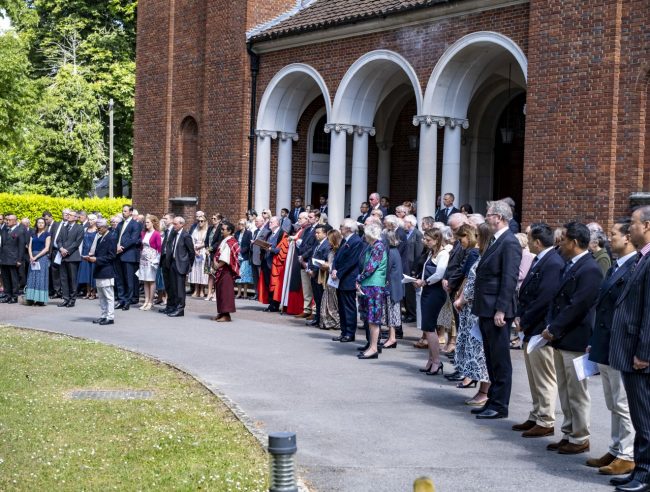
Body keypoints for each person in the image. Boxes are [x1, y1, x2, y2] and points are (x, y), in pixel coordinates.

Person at [542, 222, 603, 453]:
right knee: (565, 390)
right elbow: (558, 299)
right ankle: (569, 432)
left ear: (575, 243)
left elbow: (578, 305)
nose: (561, 243)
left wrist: (554, 328)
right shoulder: (572, 265)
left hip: (575, 339)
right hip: (562, 338)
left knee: (577, 392)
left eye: (564, 239)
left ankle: (580, 437)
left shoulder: (590, 269)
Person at [586, 219, 636, 476]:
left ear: (628, 237)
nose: (610, 238)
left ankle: (628, 453)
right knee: (612, 401)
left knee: (622, 401)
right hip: (604, 342)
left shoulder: (635, 266)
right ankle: (616, 448)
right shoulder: (616, 265)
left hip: (619, 344)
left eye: (614, 234)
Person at [609, 205, 650, 492]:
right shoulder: (641, 258)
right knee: (638, 414)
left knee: (644, 415)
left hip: (640, 353)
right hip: (630, 348)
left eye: (633, 223)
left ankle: (646, 474)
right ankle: (640, 467)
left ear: (647, 225)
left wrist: (644, 352)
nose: (629, 228)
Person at [512, 222, 564, 437]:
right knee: (534, 376)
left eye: (529, 237)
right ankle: (536, 414)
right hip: (531, 326)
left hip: (540, 327)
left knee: (544, 377)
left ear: (538, 242)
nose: (527, 240)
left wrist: (525, 319)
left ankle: (545, 419)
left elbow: (545, 297)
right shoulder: (541, 259)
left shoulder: (552, 262)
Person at [471, 200, 521, 420]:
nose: (486, 217)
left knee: (500, 359)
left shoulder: (509, 242)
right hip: (486, 307)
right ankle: (492, 399)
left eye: (488, 214)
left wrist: (501, 309)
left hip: (497, 309)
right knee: (491, 357)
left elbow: (509, 279)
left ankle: (500, 404)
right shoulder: (496, 240)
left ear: (499, 217)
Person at [452, 223, 491, 405]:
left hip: (476, 310)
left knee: (480, 353)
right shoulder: (481, 255)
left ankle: (485, 391)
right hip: (469, 310)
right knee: (474, 351)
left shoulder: (485, 256)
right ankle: (481, 389)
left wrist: (462, 298)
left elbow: (476, 283)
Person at [411, 228, 449, 374]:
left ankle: (437, 361)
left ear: (437, 239)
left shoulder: (443, 253)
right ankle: (431, 359)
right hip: (427, 290)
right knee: (427, 327)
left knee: (429, 327)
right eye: (425, 239)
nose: (425, 242)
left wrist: (425, 282)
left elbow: (439, 273)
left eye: (428, 240)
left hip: (435, 291)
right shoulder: (431, 252)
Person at [356, 223, 387, 359]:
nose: (364, 236)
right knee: (369, 318)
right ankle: (371, 346)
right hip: (368, 285)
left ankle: (374, 348)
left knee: (374, 319)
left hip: (374, 286)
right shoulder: (372, 246)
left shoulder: (378, 246)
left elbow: (371, 267)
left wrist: (358, 278)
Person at [331, 219, 365, 343]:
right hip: (340, 277)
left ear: (349, 228)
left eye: (342, 226)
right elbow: (337, 256)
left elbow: (351, 261)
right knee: (341, 306)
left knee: (349, 307)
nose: (340, 228)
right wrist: (334, 268)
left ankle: (350, 333)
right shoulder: (345, 240)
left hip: (348, 277)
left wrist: (338, 273)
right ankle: (343, 331)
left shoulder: (356, 241)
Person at [87, 219, 117, 325]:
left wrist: (97, 259)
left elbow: (112, 256)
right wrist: (91, 258)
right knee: (101, 295)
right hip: (99, 269)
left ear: (105, 227)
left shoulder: (111, 237)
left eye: (99, 228)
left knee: (108, 295)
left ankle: (110, 317)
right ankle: (104, 315)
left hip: (107, 270)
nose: (98, 230)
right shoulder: (100, 238)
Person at [163, 216, 195, 317]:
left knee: (180, 289)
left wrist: (188, 266)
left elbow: (191, 253)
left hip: (181, 265)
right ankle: (174, 307)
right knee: (173, 287)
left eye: (175, 224)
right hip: (172, 263)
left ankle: (180, 309)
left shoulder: (186, 236)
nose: (174, 226)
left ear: (181, 224)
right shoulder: (173, 234)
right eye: (173, 224)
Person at [115, 205, 143, 309]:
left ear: (131, 212)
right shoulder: (120, 224)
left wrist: (121, 247)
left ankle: (128, 301)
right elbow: (116, 237)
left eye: (125, 211)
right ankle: (121, 300)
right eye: (122, 211)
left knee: (129, 280)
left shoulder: (135, 224)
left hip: (129, 255)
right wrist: (115, 247)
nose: (123, 213)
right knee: (120, 279)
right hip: (119, 255)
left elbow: (133, 239)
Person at [381, 230, 404, 349]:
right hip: (393, 286)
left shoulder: (391, 252)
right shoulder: (394, 251)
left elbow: (386, 269)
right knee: (391, 313)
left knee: (391, 313)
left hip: (392, 287)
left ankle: (392, 338)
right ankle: (391, 337)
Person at [212, 221, 240, 322]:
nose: (221, 231)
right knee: (220, 292)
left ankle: (226, 315)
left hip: (226, 271)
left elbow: (226, 257)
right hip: (221, 270)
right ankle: (221, 313)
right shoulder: (225, 240)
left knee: (225, 292)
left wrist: (217, 265)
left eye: (223, 229)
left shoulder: (231, 242)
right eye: (221, 229)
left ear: (230, 231)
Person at [57, 211, 84, 308]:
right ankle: (65, 299)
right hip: (63, 257)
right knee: (64, 279)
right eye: (67, 215)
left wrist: (67, 251)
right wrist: (61, 249)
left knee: (72, 280)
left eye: (70, 215)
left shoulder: (80, 228)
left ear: (76, 217)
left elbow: (77, 242)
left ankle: (72, 300)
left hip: (72, 257)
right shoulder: (64, 227)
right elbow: (58, 240)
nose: (68, 216)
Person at [306, 224, 331, 327]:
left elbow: (323, 260)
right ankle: (317, 318)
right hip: (313, 274)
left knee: (321, 297)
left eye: (318, 233)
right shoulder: (318, 244)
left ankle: (321, 319)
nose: (316, 235)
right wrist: (309, 268)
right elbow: (313, 257)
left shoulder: (327, 245)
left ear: (325, 234)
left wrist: (314, 271)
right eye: (315, 233)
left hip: (320, 275)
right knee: (316, 298)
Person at [24, 217, 51, 306]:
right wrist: (31, 256)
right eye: (39, 222)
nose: (40, 224)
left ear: (45, 224)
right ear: (36, 224)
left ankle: (40, 299)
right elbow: (29, 246)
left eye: (42, 223)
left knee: (40, 277)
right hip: (33, 257)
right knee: (32, 277)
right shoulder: (33, 234)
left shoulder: (47, 234)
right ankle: (30, 298)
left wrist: (36, 257)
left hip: (42, 258)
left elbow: (47, 248)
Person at [138, 214, 162, 310]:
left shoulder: (156, 234)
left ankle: (150, 302)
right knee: (145, 280)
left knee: (151, 280)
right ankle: (146, 300)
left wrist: (156, 260)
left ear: (152, 223)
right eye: (145, 222)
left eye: (147, 222)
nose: (146, 224)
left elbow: (159, 248)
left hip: (152, 259)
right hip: (143, 259)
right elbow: (141, 246)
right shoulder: (143, 233)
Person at [0, 215, 25, 304]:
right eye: (6, 220)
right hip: (4, 258)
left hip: (13, 259)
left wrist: (19, 260)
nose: (7, 221)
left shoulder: (20, 231)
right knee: (5, 278)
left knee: (14, 279)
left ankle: (14, 297)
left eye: (9, 220)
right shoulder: (4, 230)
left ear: (15, 221)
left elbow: (21, 247)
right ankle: (7, 295)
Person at [319, 229, 341, 330]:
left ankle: (335, 321)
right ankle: (326, 321)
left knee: (334, 301)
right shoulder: (331, 250)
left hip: (336, 279)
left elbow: (338, 264)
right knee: (327, 299)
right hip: (329, 278)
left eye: (329, 239)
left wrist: (329, 266)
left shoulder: (339, 250)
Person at [77, 214, 98, 299]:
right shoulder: (85, 229)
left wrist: (92, 253)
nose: (90, 221)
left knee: (93, 273)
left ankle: (93, 293)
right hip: (85, 253)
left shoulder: (97, 230)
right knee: (86, 273)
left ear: (96, 220)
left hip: (93, 254)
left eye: (92, 219)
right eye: (89, 219)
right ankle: (88, 292)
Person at [157, 213, 175, 308]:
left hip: (170, 259)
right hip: (164, 258)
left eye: (166, 218)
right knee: (166, 283)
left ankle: (171, 304)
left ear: (172, 220)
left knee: (171, 283)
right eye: (163, 218)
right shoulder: (166, 231)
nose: (164, 220)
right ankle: (168, 305)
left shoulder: (174, 231)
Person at [189, 214, 209, 298]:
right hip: (196, 251)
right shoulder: (195, 230)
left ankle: (202, 290)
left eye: (202, 221)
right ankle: (196, 289)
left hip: (203, 251)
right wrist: (194, 249)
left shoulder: (207, 231)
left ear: (205, 222)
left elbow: (207, 241)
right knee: (195, 270)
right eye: (199, 221)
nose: (200, 222)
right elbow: (191, 240)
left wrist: (200, 247)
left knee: (202, 271)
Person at [250, 216, 267, 301]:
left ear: (263, 222)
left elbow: (266, 244)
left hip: (260, 257)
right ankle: (257, 293)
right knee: (255, 277)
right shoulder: (256, 231)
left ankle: (261, 294)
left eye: (257, 221)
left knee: (261, 277)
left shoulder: (266, 231)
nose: (256, 223)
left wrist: (256, 242)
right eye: (255, 221)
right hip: (253, 257)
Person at [234, 219, 253, 299]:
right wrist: (236, 251)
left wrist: (241, 251)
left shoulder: (249, 233)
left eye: (242, 224)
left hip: (244, 256)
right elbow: (234, 243)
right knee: (238, 276)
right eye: (239, 224)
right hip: (237, 256)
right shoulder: (237, 233)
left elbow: (249, 245)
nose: (240, 225)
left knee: (244, 276)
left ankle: (245, 293)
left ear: (245, 225)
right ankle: (239, 293)